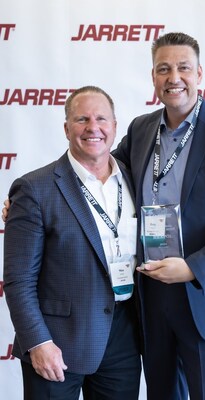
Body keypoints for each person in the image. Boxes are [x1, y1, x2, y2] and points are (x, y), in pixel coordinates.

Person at [112, 32, 205, 400]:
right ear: (153, 77)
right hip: (152, 294)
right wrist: (36, 197)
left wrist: (194, 267)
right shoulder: (140, 128)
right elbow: (102, 172)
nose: (174, 77)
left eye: (183, 67)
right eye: (164, 69)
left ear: (200, 73)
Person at [3, 86, 141, 400]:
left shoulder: (135, 181)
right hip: (57, 341)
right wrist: (38, 343)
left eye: (102, 119)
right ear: (67, 128)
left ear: (115, 127)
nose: (93, 127)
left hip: (124, 337)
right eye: (82, 119)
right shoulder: (34, 189)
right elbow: (18, 280)